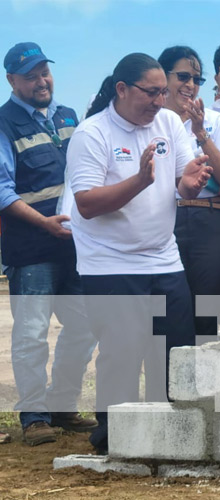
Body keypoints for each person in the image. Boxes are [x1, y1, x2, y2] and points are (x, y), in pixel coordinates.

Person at [66, 52, 212, 454]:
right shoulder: (92, 134)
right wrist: (140, 181)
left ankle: (169, 430)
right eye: (150, 93)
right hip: (109, 262)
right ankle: (115, 436)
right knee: (123, 349)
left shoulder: (166, 122)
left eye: (163, 92)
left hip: (164, 257)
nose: (159, 101)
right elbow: (87, 204)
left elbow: (183, 182)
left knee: (175, 346)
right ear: (122, 89)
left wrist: (193, 182)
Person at [0, 42, 97, 446]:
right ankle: (34, 417)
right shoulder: (4, 122)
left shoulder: (68, 115)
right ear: (12, 81)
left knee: (86, 325)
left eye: (45, 72)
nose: (41, 81)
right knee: (32, 333)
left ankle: (62, 405)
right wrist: (44, 223)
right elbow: (3, 190)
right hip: (32, 248)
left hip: (73, 245)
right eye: (31, 75)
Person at [158, 45, 220, 341]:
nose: (190, 85)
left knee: (208, 312)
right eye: (183, 76)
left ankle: (206, 386)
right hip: (165, 220)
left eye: (197, 79)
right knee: (168, 311)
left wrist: (200, 133)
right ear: (162, 76)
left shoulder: (216, 120)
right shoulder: (150, 121)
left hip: (211, 220)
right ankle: (167, 386)